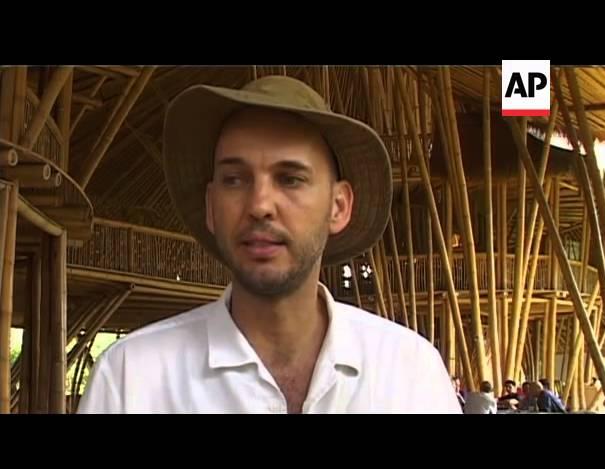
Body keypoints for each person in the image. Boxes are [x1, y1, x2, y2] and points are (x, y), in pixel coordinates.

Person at [77, 75, 462, 414]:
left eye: (290, 179)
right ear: (212, 208)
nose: (260, 205)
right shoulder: (132, 378)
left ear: (339, 206)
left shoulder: (410, 372)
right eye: (234, 179)